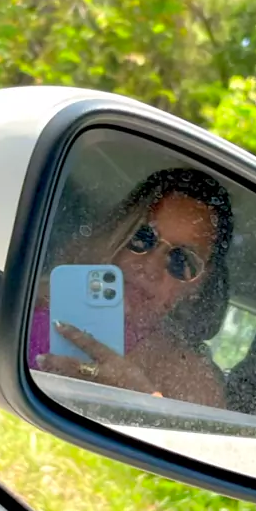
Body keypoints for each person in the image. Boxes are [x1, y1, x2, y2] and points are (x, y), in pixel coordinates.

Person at [29, 168, 234, 409]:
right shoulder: (33, 294)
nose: (150, 267)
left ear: (198, 284)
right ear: (119, 234)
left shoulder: (194, 381)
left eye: (182, 261)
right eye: (143, 237)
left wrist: (142, 398)